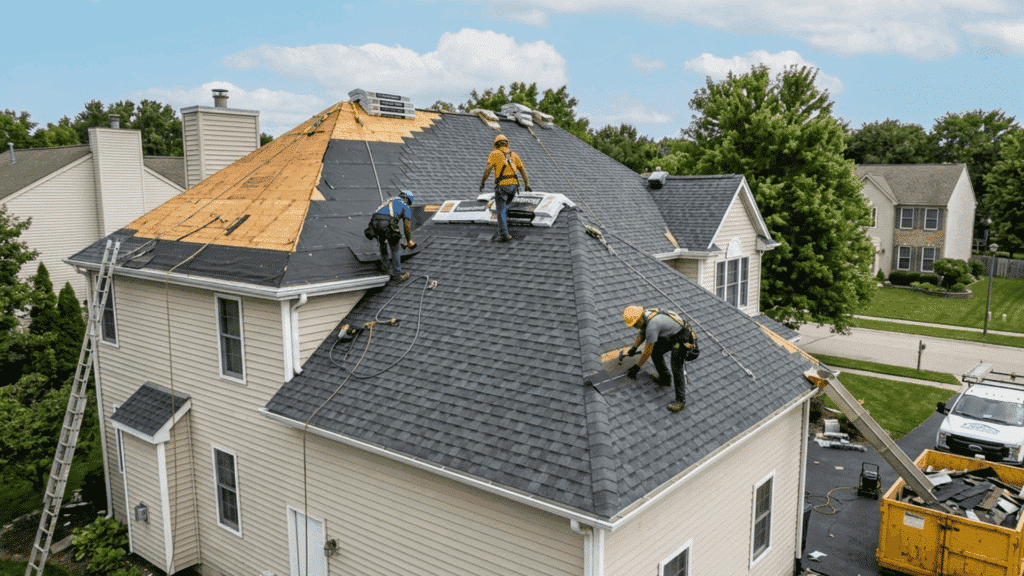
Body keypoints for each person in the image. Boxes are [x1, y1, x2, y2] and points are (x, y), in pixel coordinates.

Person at [622, 305, 700, 412]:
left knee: (676, 364)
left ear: (640, 318)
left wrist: (637, 367)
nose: (635, 327)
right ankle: (665, 379)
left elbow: (647, 351)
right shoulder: (646, 315)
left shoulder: (652, 325)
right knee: (656, 351)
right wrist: (634, 347)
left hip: (683, 338)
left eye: (635, 324)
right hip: (672, 335)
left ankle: (680, 401)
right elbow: (642, 332)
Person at [479, 133, 532, 242]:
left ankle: (504, 234)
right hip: (514, 187)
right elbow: (522, 170)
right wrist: (527, 184)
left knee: (501, 210)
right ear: (506, 144)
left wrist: (482, 182)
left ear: (496, 145)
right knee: (505, 208)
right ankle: (506, 229)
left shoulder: (495, 154)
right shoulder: (514, 155)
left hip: (503, 187)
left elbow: (488, 169)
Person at [368, 190, 417, 283]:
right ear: (406, 198)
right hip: (386, 223)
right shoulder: (404, 205)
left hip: (374, 223)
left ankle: (385, 268)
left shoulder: (389, 201)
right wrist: (409, 240)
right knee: (395, 249)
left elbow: (380, 214)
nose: (409, 205)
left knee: (383, 243)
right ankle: (398, 276)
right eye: (409, 202)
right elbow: (406, 225)